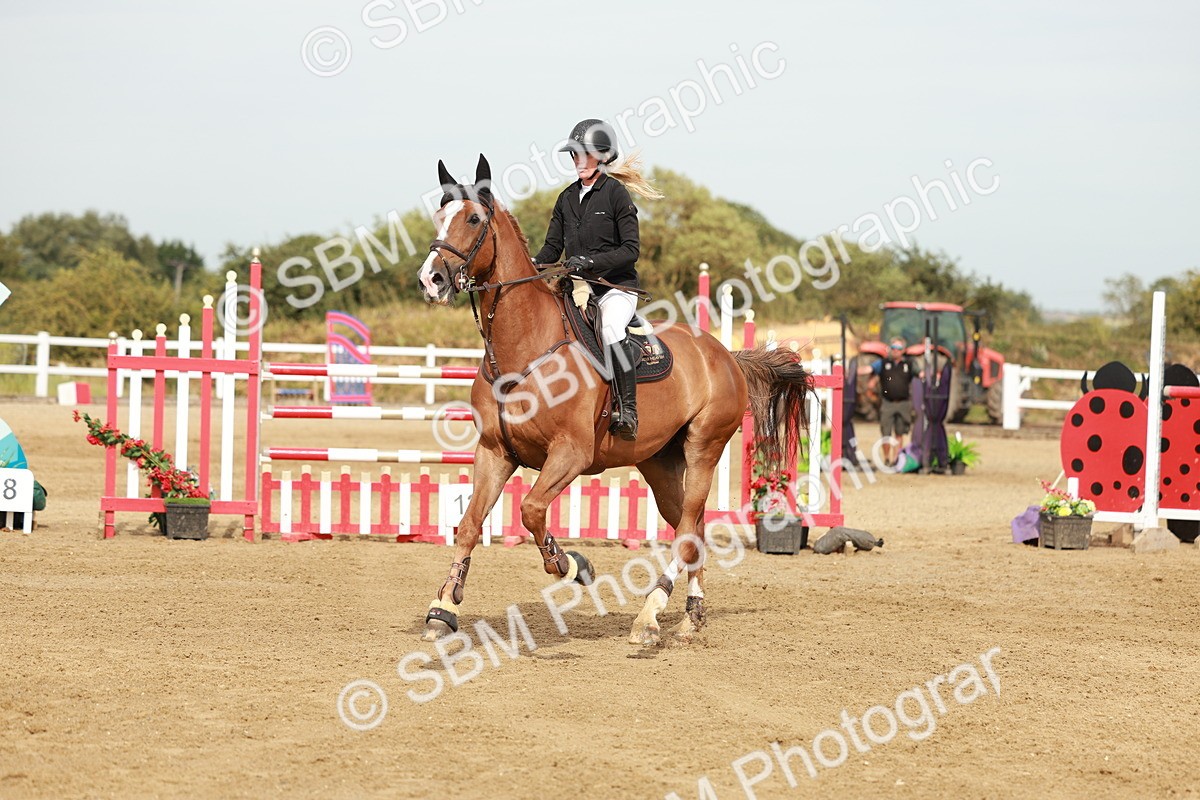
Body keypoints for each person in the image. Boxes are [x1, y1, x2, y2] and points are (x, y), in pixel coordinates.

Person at [532, 118, 662, 440]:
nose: (578, 161)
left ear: (602, 156)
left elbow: (630, 250)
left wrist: (589, 261)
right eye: (574, 155)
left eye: (584, 155)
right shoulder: (565, 198)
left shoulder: (616, 196)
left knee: (610, 327)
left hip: (615, 288)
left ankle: (627, 410)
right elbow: (552, 247)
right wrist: (531, 264)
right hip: (577, 289)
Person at [859, 337, 916, 466]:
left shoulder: (909, 364)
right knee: (886, 433)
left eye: (898, 348)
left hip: (903, 403)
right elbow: (868, 369)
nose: (895, 351)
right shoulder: (883, 363)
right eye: (893, 348)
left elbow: (920, 374)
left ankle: (896, 459)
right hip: (887, 403)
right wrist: (850, 372)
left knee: (900, 433)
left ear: (903, 350)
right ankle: (886, 459)